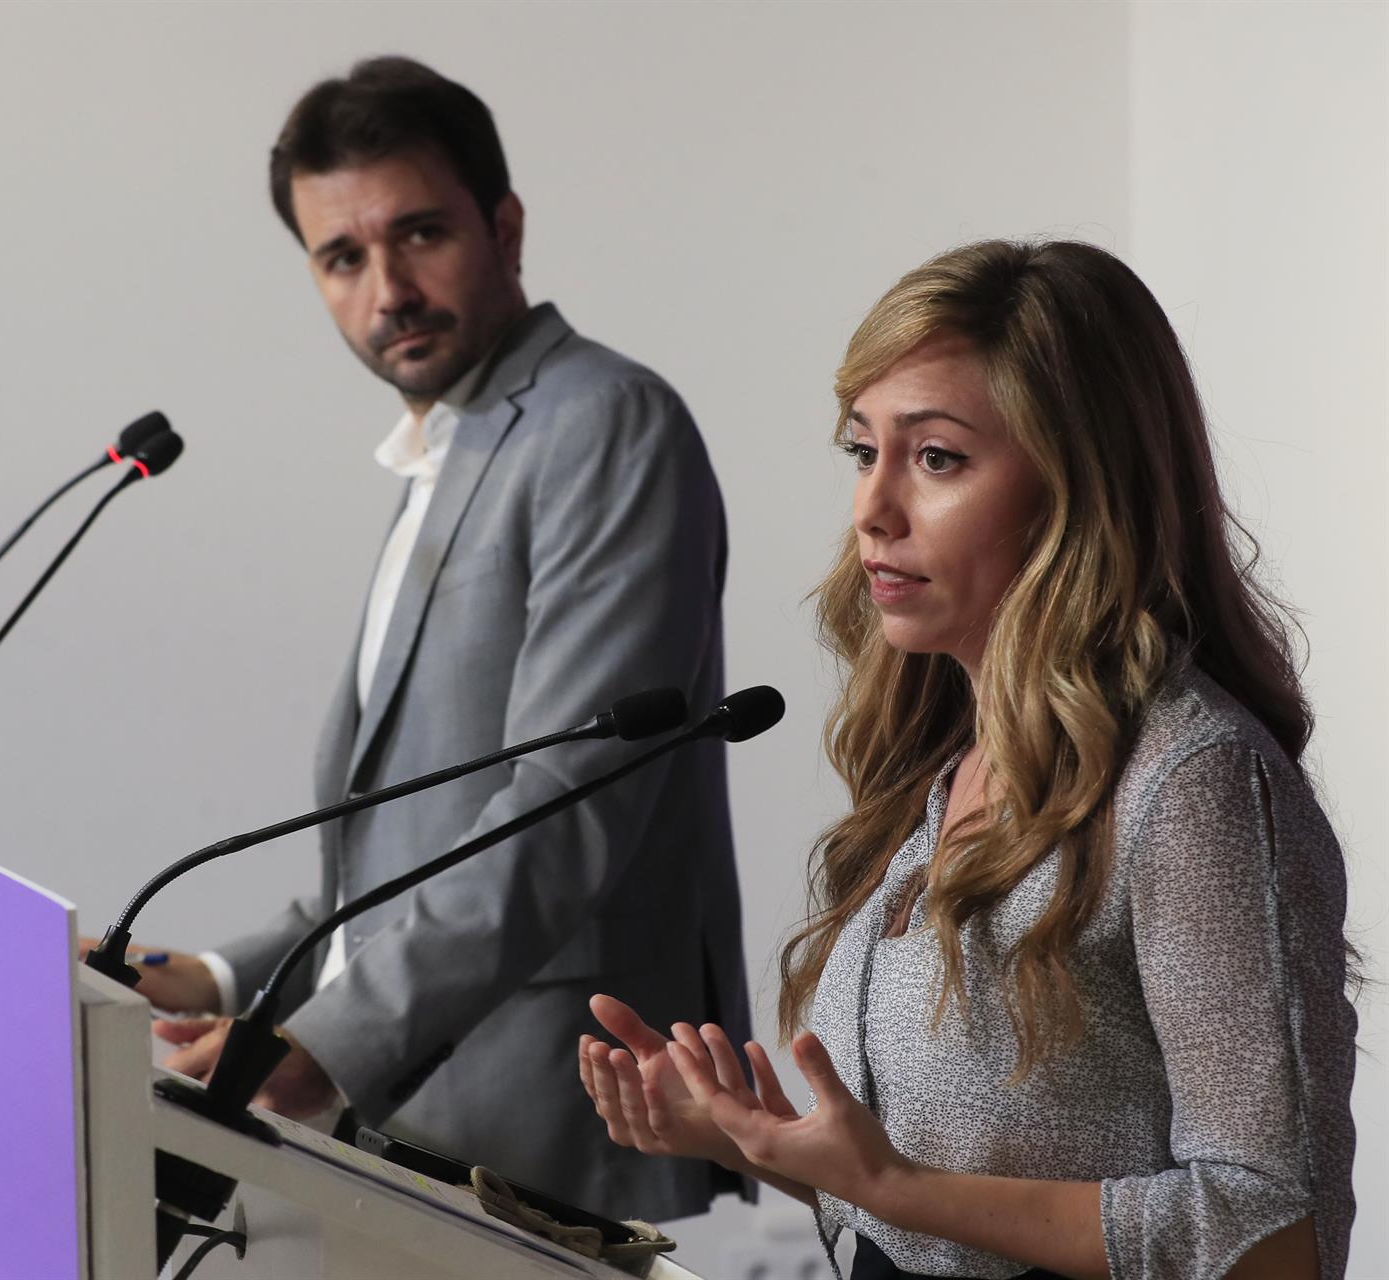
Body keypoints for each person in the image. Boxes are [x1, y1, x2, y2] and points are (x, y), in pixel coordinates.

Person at [580, 240, 1358, 1278]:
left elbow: (1277, 1236)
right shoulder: (941, 765)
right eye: (865, 451)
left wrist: (888, 1185)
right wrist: (747, 1135)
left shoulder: (1193, 782)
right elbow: (935, 1200)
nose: (873, 508)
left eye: (936, 456)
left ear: (1079, 488)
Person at [128, 56, 751, 1223]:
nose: (388, 290)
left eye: (420, 234)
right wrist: (205, 977)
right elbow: (396, 852)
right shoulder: (452, 447)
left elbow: (563, 800)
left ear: (505, 227)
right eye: (342, 257)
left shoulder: (601, 422)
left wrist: (323, 1044)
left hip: (543, 1113)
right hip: (420, 1111)